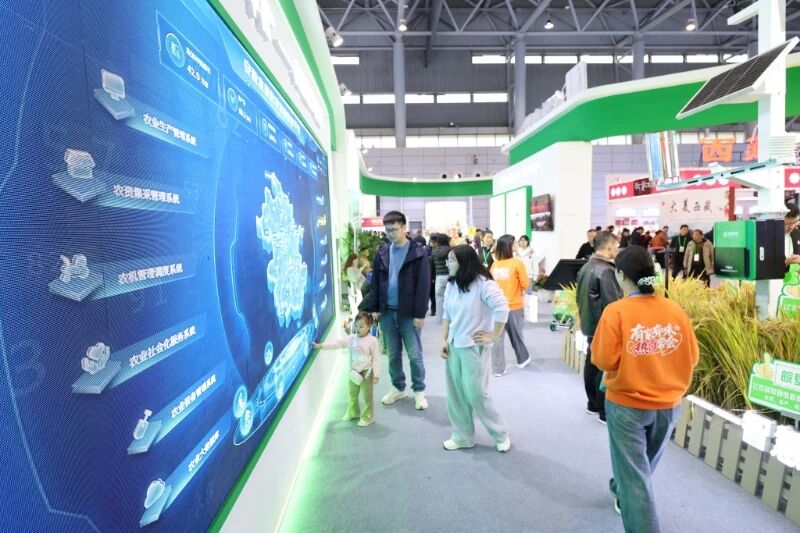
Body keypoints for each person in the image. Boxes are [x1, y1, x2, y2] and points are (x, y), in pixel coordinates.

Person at [591, 246, 699, 531]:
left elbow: (603, 360)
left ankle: (628, 494)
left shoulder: (616, 312)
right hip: (669, 406)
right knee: (643, 464)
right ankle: (620, 487)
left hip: (627, 405)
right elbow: (693, 356)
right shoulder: (674, 310)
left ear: (621, 275)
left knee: (635, 477)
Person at [440, 245, 511, 452]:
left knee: (476, 393)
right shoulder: (452, 284)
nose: (447, 263)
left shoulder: (484, 284)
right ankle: (462, 436)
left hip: (474, 347)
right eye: (448, 259)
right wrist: (443, 339)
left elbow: (502, 308)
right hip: (454, 345)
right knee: (455, 393)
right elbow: (446, 313)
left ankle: (500, 434)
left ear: (464, 262)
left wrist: (494, 335)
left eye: (451, 260)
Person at [360, 211, 431, 410]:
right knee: (392, 355)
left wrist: (420, 313)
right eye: (388, 229)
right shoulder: (382, 252)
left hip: (409, 314)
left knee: (414, 354)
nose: (390, 233)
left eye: (394, 229)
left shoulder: (418, 253)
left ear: (404, 228)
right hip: (387, 313)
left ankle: (419, 391)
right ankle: (398, 387)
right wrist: (374, 307)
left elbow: (424, 284)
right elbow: (375, 282)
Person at [575, 231, 622, 424]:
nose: (617, 249)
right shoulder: (606, 271)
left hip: (590, 324)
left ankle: (593, 404)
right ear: (609, 246)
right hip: (603, 327)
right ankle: (604, 410)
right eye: (616, 246)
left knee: (592, 363)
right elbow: (613, 304)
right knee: (604, 367)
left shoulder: (586, 267)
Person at [313, 312, 382, 427]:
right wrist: (322, 346)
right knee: (352, 394)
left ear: (369, 326)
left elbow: (376, 359)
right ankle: (353, 411)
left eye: (361, 326)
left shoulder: (372, 341)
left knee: (367, 396)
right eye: (356, 326)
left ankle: (368, 416)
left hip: (367, 373)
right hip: (354, 372)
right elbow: (337, 343)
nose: (358, 329)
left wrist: (377, 375)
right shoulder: (352, 338)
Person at [490, 235, 531, 376]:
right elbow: (525, 285)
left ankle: (497, 369)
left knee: (497, 338)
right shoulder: (517, 263)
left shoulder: (494, 265)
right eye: (515, 243)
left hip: (496, 307)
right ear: (509, 246)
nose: (517, 244)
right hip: (513, 306)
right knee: (517, 335)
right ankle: (522, 359)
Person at [431, 233, 451, 323]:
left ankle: (440, 319)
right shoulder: (451, 250)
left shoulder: (434, 251)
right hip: (450, 276)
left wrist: (432, 277)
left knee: (439, 299)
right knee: (451, 297)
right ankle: (450, 318)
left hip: (439, 277)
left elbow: (432, 266)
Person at [784, 203, 800, 271]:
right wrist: (785, 262)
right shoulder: (770, 238)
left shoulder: (798, 234)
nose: (791, 227)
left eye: (794, 222)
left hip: (795, 276)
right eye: (786, 224)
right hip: (776, 277)